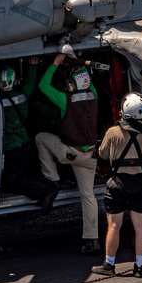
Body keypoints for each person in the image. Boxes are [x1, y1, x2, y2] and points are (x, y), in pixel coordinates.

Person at [35, 51, 101, 254]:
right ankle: (92, 240)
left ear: (70, 85)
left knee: (40, 138)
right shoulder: (94, 96)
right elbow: (87, 84)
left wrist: (56, 63)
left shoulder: (66, 100)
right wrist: (78, 62)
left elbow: (43, 86)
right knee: (88, 196)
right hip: (91, 156)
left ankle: (52, 179)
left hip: (69, 153)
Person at [91, 93, 142, 278]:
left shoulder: (113, 132)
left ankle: (109, 264)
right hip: (139, 182)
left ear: (123, 111)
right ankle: (139, 266)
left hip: (118, 183)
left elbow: (103, 154)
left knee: (114, 226)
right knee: (140, 226)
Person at [0, 57, 42, 198]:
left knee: (12, 180)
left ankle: (44, 191)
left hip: (7, 148)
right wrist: (33, 66)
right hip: (21, 143)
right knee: (20, 177)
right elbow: (31, 84)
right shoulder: (21, 95)